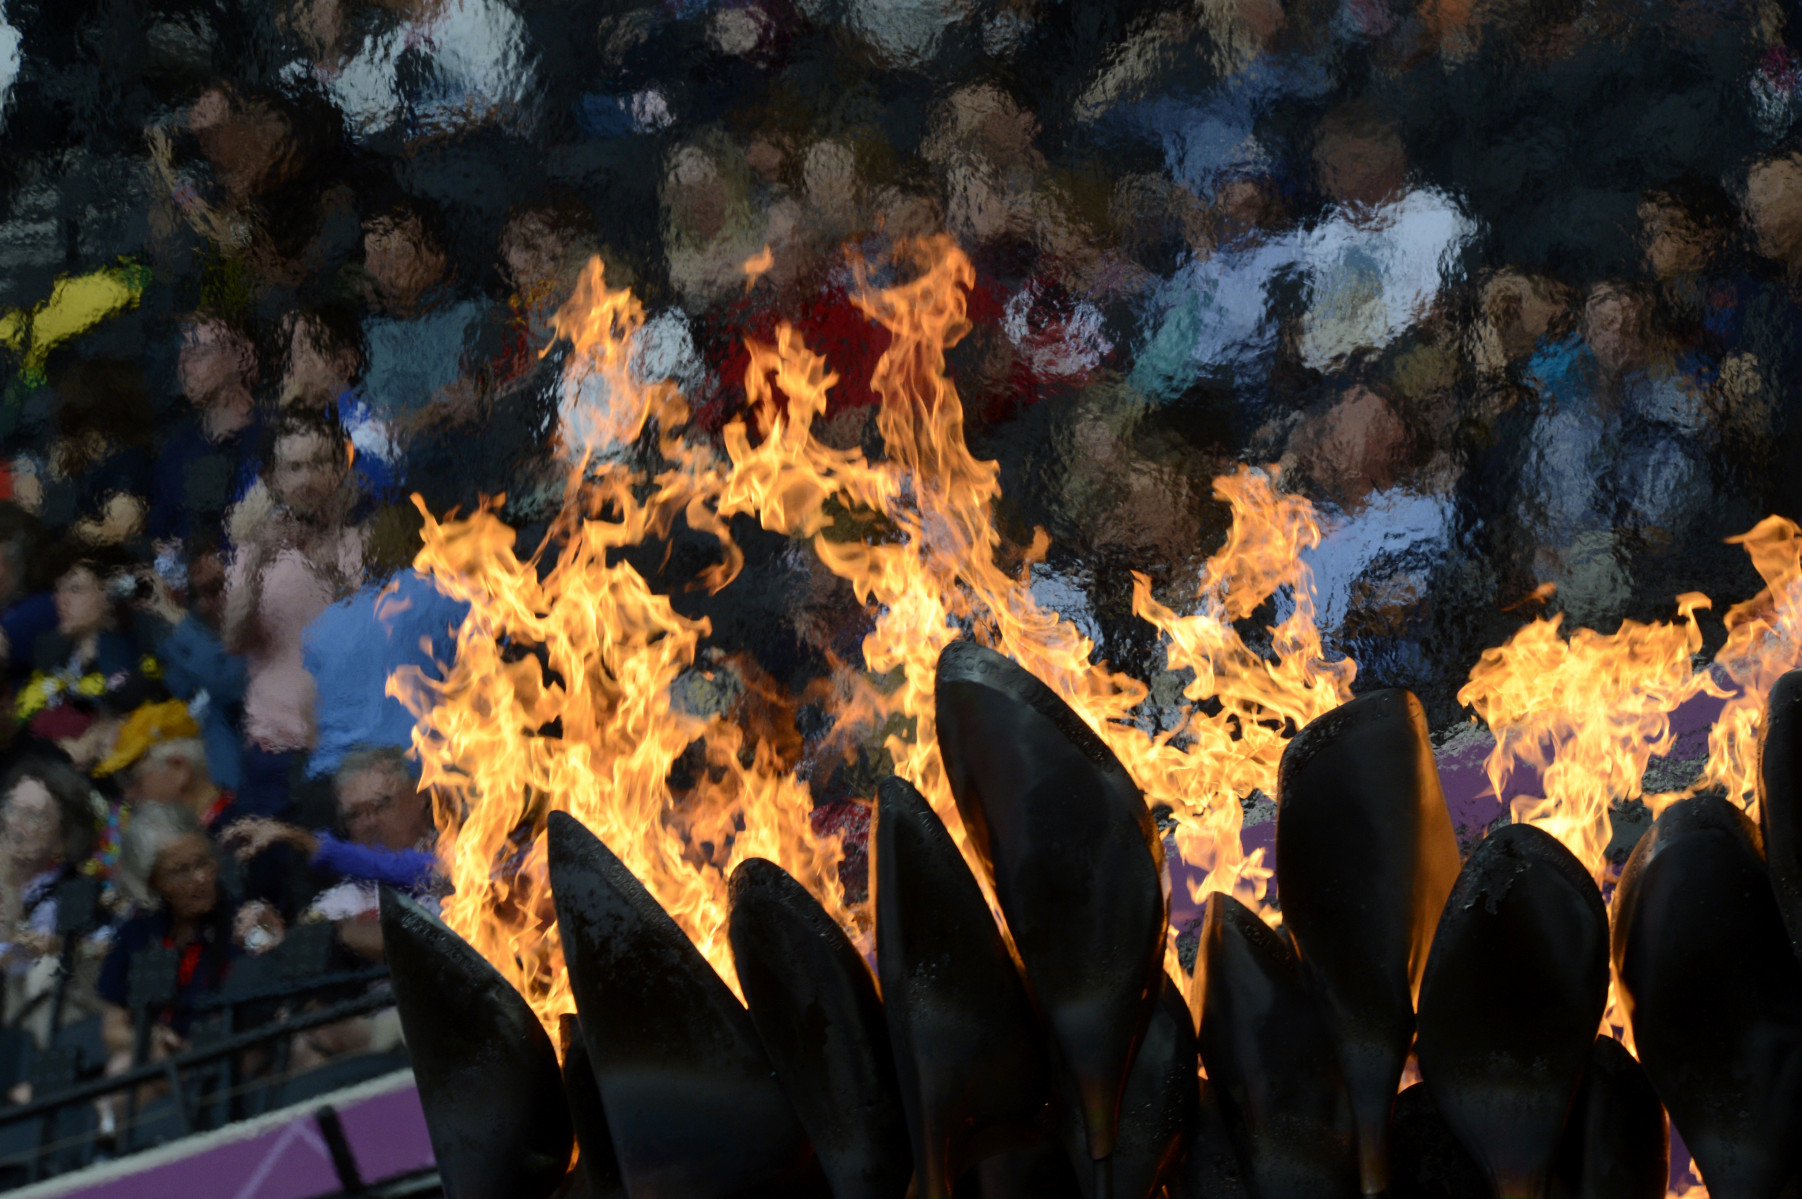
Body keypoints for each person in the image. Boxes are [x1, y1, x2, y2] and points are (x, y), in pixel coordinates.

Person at [223, 410, 367, 817]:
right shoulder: (251, 555)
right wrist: (255, 567)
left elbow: (375, 640)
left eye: (319, 464)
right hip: (274, 749)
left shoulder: (363, 547)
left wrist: (331, 570)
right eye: (295, 467)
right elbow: (234, 641)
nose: (306, 479)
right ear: (274, 479)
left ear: (340, 468)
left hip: (350, 750)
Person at [96, 804, 280, 1107]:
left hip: (236, 1057)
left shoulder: (245, 918)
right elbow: (113, 1028)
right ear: (152, 881)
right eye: (181, 871)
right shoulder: (138, 934)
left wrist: (273, 939)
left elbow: (280, 992)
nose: (199, 878)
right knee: (119, 1076)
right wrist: (150, 1040)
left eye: (204, 863)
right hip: (173, 1063)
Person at [225, 745, 438, 965]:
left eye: (382, 805)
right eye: (354, 815)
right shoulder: (342, 898)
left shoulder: (463, 856)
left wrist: (302, 839)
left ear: (420, 797)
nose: (370, 823)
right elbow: (300, 962)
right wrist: (273, 940)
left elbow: (400, 869)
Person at [14, 550, 163, 771]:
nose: (60, 599)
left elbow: (117, 708)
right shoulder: (50, 651)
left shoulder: (130, 656)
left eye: (75, 590)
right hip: (40, 766)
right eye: (59, 589)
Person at [0, 757, 103, 1046]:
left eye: (33, 815)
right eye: (10, 807)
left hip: (66, 1004)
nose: (14, 823)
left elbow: (48, 947)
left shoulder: (73, 892)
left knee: (43, 971)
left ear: (64, 840)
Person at [148, 314, 262, 547]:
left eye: (200, 352)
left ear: (240, 356)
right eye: (183, 352)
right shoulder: (177, 449)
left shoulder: (271, 438)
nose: (186, 366)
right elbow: (160, 537)